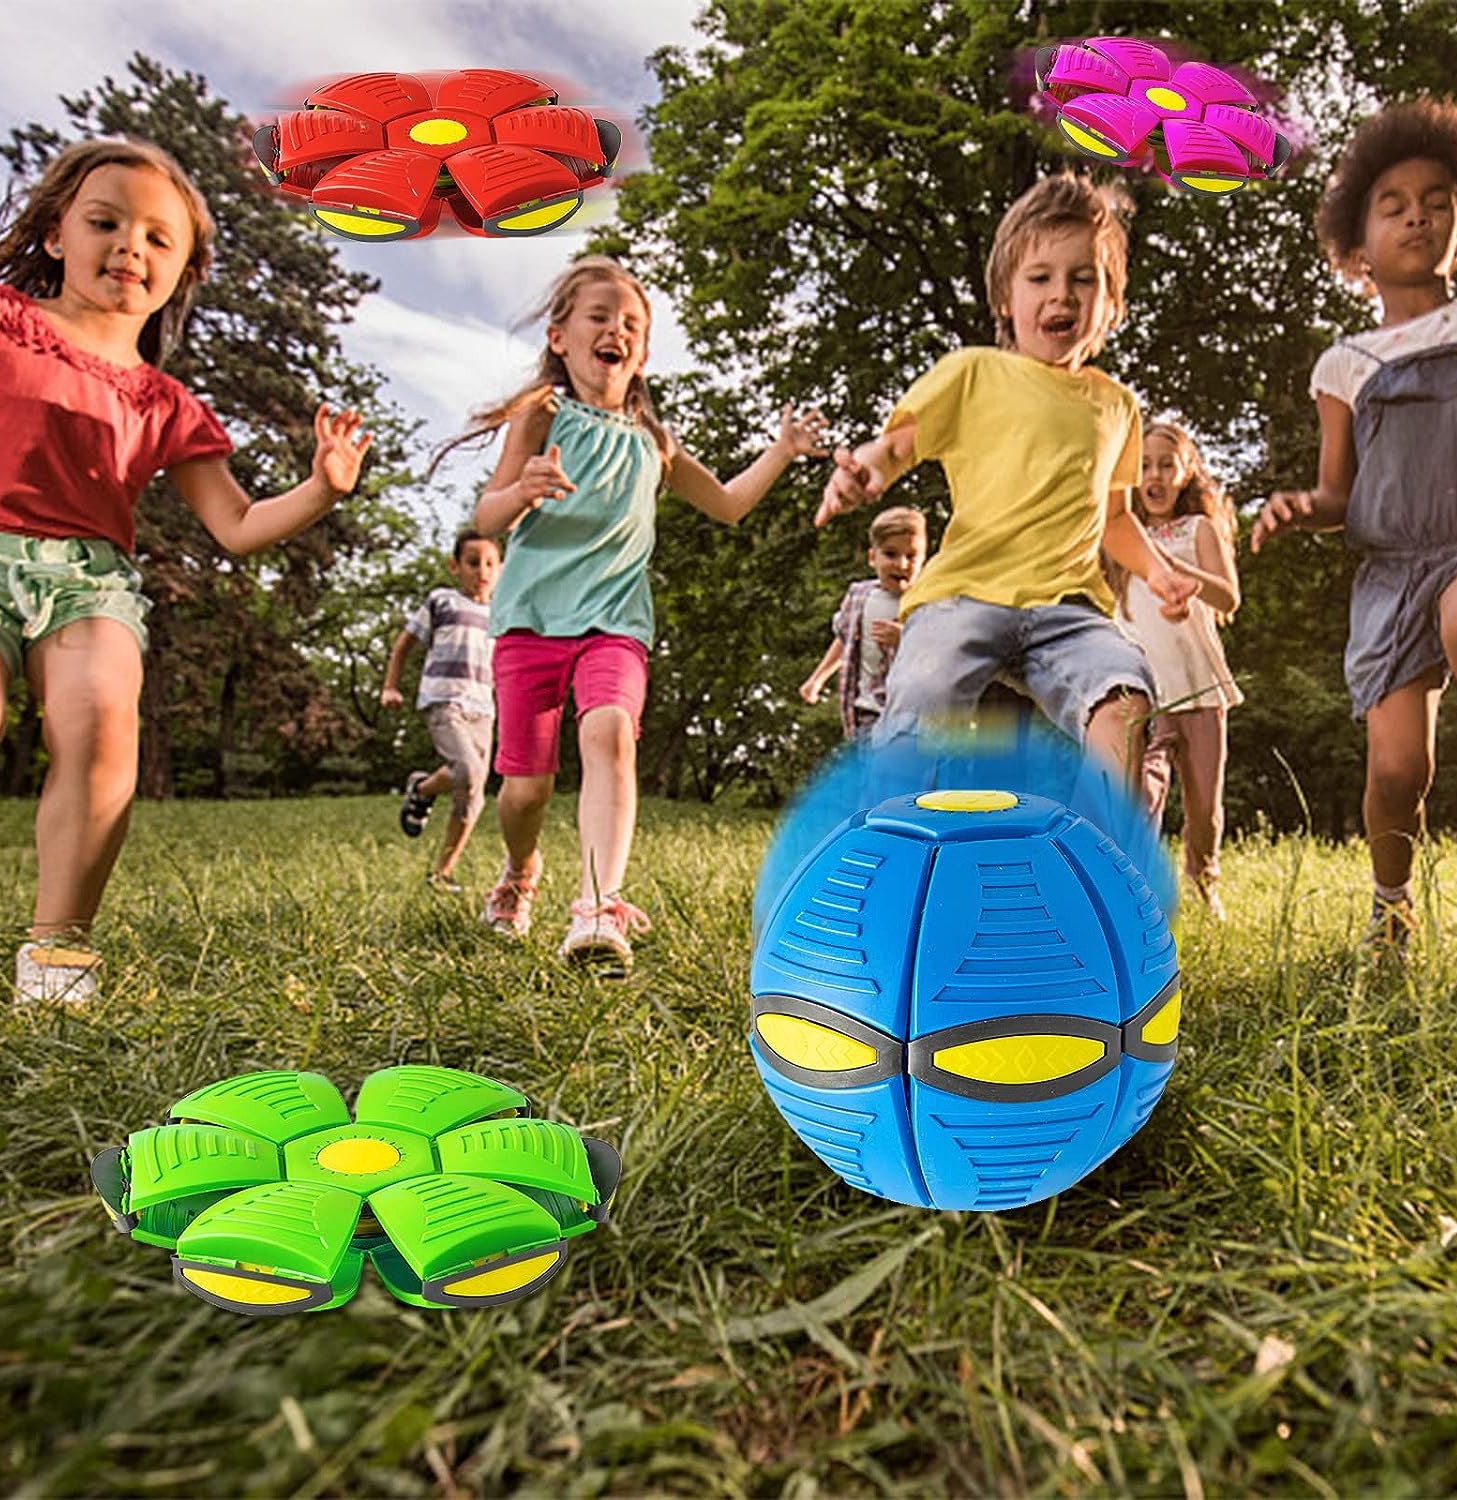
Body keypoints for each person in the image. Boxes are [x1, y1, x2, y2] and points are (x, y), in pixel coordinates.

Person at [0, 137, 370, 1001]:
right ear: (54, 235)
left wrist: (321, 488)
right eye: (106, 223)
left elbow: (235, 524)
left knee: (105, 725)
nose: (130, 248)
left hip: (89, 581)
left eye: (160, 239)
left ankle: (56, 956)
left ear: (182, 271)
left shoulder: (164, 402)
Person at [440, 255, 826, 974]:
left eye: (631, 325)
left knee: (613, 734)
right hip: (530, 620)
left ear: (642, 353)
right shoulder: (542, 415)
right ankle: (521, 871)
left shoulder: (654, 441)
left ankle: (597, 906)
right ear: (560, 337)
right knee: (525, 789)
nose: (615, 330)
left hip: (616, 622)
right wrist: (522, 487)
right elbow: (485, 517)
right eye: (599, 317)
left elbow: (732, 505)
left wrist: (782, 450)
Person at [817, 174, 1196, 781]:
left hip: (1069, 611)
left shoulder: (1117, 406)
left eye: (1084, 278)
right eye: (1040, 278)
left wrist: (1159, 572)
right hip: (965, 597)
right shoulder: (974, 373)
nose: (1062, 296)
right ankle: (893, 840)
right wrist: (864, 471)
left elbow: (1116, 518)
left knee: (1125, 699)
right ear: (1005, 296)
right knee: (923, 693)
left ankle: (1099, 856)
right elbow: (897, 446)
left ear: (1111, 302)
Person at [1252, 98, 1457, 954]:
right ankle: (1392, 903)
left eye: (1436, 199)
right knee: (1397, 771)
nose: (1418, 212)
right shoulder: (1346, 362)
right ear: (1356, 252)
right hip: (1391, 567)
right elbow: (1337, 493)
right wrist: (1296, 507)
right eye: (1394, 205)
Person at [1105, 421, 1242, 919]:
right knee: (1140, 790)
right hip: (1145, 688)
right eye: (1143, 465)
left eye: (1166, 463)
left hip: (1201, 688)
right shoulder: (1120, 537)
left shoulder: (1197, 530)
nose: (1154, 475)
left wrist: (1170, 565)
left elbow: (1229, 596)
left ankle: (1205, 882)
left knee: (1205, 808)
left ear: (1188, 471)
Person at [380, 529, 500, 893]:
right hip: (444, 700)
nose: (482, 570)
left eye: (491, 563)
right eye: (473, 562)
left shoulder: (503, 612)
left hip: (484, 708)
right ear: (455, 567)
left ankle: (442, 874)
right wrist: (390, 686)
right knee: (468, 770)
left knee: (474, 792)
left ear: (501, 569)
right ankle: (424, 788)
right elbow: (404, 645)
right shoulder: (442, 601)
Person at [800, 506, 927, 739]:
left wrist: (906, 638)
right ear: (872, 558)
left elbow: (942, 650)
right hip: (867, 712)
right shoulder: (859, 595)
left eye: (911, 556)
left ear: (923, 560)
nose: (901, 564)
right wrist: (817, 679)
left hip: (913, 715)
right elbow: (844, 639)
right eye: (891, 554)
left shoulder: (926, 602)